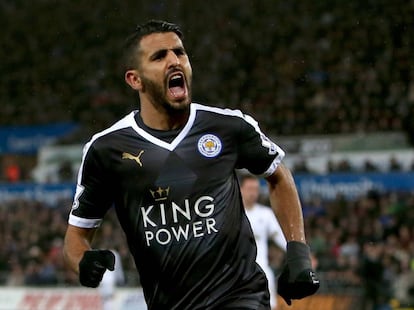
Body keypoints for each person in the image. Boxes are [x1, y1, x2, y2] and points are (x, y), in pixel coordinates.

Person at [63, 19, 319, 310]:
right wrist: (83, 261)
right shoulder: (106, 149)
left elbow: (278, 175)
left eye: (179, 53)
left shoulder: (229, 126)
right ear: (135, 79)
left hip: (240, 296)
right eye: (159, 56)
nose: (174, 61)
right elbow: (75, 238)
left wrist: (297, 250)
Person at [240, 173, 287, 310]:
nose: (253, 193)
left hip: (261, 272)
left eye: (256, 189)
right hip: (237, 272)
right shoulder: (231, 214)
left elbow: (281, 238)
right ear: (240, 189)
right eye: (250, 189)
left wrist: (300, 254)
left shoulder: (265, 214)